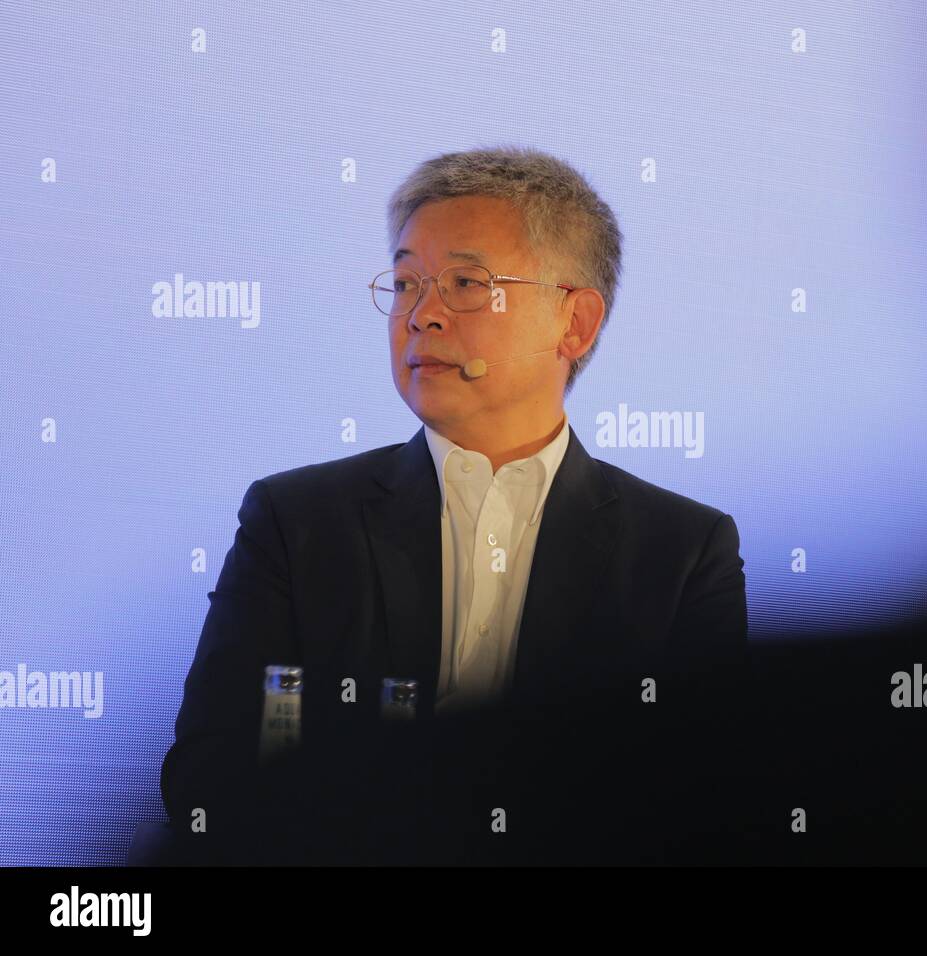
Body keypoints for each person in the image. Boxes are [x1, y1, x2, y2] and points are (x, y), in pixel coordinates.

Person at [159, 147, 748, 853]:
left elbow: (698, 808)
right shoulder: (297, 522)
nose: (422, 315)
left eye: (466, 282)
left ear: (576, 324)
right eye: (407, 283)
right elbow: (206, 780)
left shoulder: (682, 551)